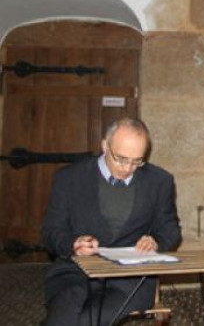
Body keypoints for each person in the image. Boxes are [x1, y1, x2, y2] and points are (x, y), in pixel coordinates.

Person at [41, 117, 181, 326]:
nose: (127, 168)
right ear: (105, 145)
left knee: (84, 321)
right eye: (121, 159)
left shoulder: (159, 181)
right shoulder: (69, 178)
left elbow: (170, 229)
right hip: (74, 271)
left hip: (130, 279)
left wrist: (155, 241)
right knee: (63, 316)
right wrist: (73, 244)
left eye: (137, 161)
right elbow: (51, 231)